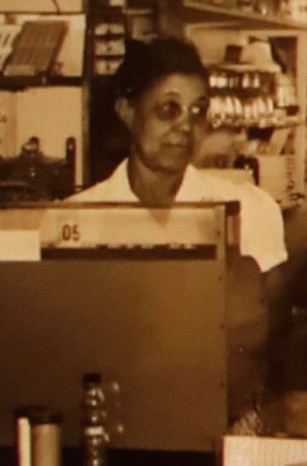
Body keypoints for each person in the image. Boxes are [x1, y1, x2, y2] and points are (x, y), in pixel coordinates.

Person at [68, 37, 288, 409]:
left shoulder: (250, 208)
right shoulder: (78, 219)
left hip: (227, 421)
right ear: (127, 111)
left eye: (197, 111)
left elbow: (276, 343)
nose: (186, 126)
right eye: (168, 109)